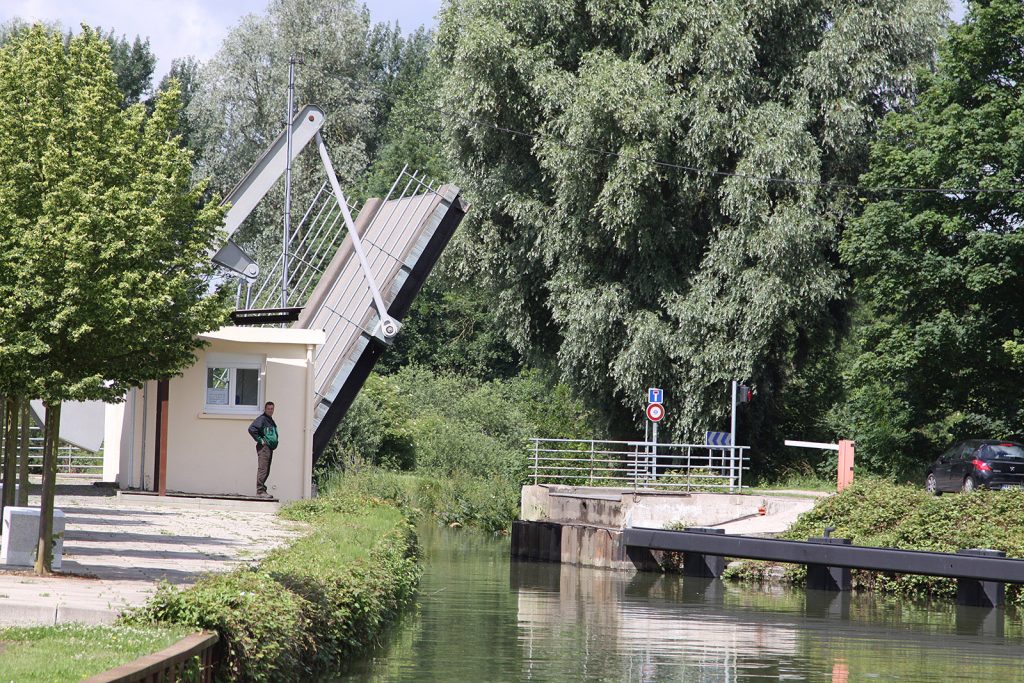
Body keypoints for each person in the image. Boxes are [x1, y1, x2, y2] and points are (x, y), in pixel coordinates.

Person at [248, 401, 279, 498]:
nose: (270, 410)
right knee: (263, 469)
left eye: (272, 409)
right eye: (268, 409)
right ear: (265, 409)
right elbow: (252, 429)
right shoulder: (262, 419)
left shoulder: (270, 420)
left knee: (267, 470)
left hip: (269, 448)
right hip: (264, 448)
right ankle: (260, 491)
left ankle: (263, 490)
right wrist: (260, 440)